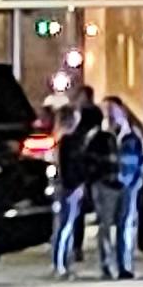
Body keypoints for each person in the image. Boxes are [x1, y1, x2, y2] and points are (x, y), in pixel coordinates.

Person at [49, 87, 102, 274]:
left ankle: (62, 261)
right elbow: (72, 166)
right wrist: (77, 184)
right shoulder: (70, 142)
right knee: (66, 225)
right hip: (70, 186)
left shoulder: (64, 141)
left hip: (67, 185)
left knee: (65, 225)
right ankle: (60, 263)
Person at [98, 95, 143, 278]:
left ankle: (124, 265)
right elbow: (93, 162)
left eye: (113, 113)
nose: (111, 117)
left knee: (125, 226)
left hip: (129, 186)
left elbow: (142, 160)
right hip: (106, 186)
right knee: (106, 227)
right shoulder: (101, 137)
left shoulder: (131, 137)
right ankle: (106, 264)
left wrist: (137, 181)